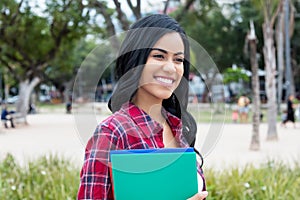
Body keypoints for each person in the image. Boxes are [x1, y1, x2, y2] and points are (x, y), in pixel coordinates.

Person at [77, 14, 207, 200]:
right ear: (135, 60)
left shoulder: (179, 128)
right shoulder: (111, 133)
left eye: (178, 60)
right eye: (159, 56)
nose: (171, 68)